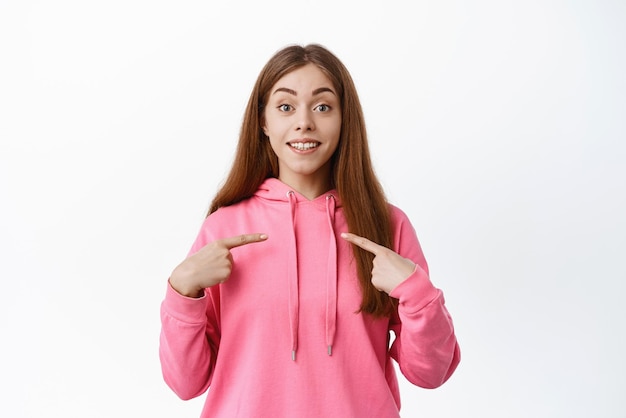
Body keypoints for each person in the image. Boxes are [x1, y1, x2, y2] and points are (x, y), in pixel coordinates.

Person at [159, 43, 460, 417]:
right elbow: (186, 383)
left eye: (322, 106)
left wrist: (418, 293)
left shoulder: (386, 226)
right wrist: (182, 292)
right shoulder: (225, 228)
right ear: (263, 122)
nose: (304, 122)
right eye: (285, 107)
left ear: (344, 119)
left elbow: (430, 373)